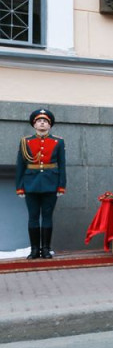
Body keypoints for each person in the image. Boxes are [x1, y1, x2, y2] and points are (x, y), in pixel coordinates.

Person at [15, 109, 66, 260]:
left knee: (47, 217)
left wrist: (61, 185)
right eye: (39, 121)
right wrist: (19, 187)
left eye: (45, 121)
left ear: (49, 125)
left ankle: (46, 249)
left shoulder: (58, 142)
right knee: (33, 217)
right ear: (34, 125)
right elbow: (20, 165)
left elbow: (62, 165)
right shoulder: (25, 142)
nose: (42, 123)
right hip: (30, 183)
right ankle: (34, 250)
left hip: (51, 183)